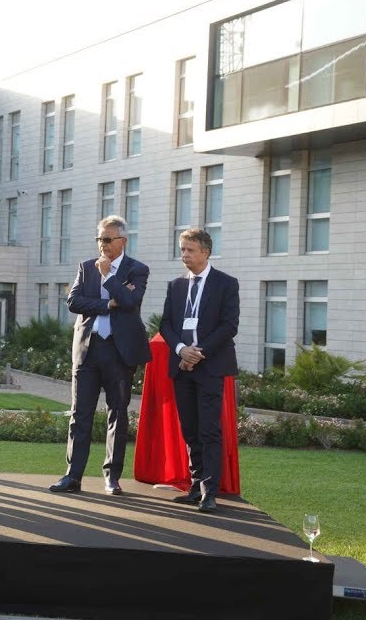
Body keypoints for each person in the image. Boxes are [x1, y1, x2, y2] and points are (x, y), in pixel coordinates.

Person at [49, 215, 150, 496]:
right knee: (80, 415)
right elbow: (73, 302)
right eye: (99, 239)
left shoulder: (137, 270)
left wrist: (110, 276)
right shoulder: (86, 267)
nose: (102, 245)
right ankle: (72, 476)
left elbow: (130, 302)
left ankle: (112, 477)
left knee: (117, 414)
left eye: (107, 239)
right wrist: (107, 304)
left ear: (122, 241)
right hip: (88, 350)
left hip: (119, 352)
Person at [159, 228, 239, 513]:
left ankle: (209, 491)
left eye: (190, 250)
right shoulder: (176, 286)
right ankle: (195, 486)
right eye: (182, 249)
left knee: (209, 430)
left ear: (205, 252)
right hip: (182, 367)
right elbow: (165, 325)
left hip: (210, 367)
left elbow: (229, 326)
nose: (184, 255)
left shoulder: (226, 284)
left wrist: (197, 353)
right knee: (190, 429)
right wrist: (182, 350)